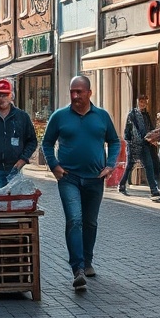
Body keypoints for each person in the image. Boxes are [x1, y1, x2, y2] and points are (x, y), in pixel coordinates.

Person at [41, 74, 119, 292]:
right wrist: (54, 166)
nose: (75, 96)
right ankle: (77, 270)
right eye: (72, 92)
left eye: (79, 92)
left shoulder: (102, 116)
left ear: (89, 93)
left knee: (90, 222)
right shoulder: (59, 116)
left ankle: (87, 261)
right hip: (69, 178)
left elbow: (113, 141)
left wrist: (110, 164)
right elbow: (47, 143)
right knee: (74, 219)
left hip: (95, 179)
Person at [118, 94, 160, 198]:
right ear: (137, 102)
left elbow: (150, 128)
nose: (143, 104)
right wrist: (130, 141)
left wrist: (153, 136)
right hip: (133, 144)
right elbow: (128, 130)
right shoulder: (132, 114)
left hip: (145, 144)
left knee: (149, 165)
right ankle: (122, 184)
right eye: (141, 102)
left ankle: (153, 189)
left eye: (144, 102)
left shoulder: (146, 115)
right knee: (129, 166)